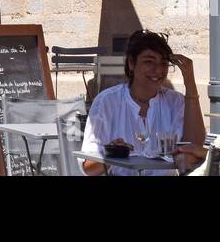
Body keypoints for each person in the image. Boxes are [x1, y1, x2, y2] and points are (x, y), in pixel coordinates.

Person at [81, 29, 207, 175]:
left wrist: (190, 82)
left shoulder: (175, 102)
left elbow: (194, 146)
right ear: (131, 63)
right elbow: (88, 169)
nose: (158, 70)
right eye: (149, 61)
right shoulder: (107, 102)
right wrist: (112, 155)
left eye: (164, 63)